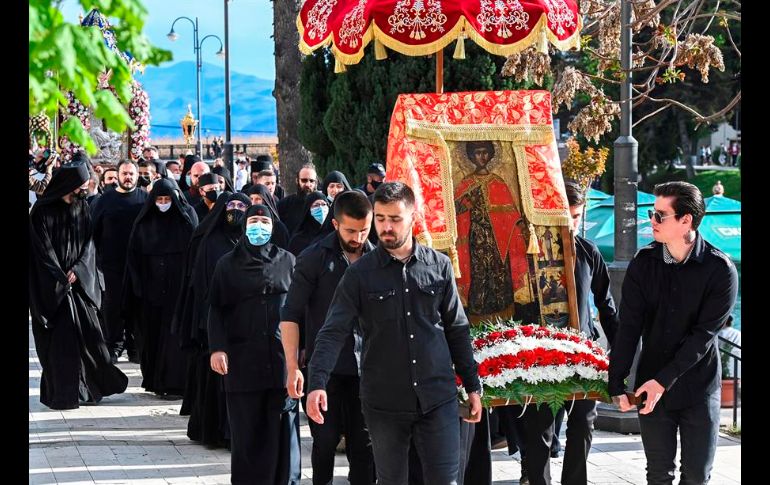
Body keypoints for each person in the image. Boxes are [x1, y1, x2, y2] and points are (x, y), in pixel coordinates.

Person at [306, 182, 482, 484]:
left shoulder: (438, 266)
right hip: (384, 402)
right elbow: (333, 331)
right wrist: (317, 382)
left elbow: (457, 328)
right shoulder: (359, 275)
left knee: (446, 480)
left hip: (437, 397)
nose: (386, 227)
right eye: (380, 218)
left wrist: (473, 385)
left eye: (395, 219)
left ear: (413, 218)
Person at [609, 181, 738, 485]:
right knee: (658, 476)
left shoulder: (720, 270)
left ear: (685, 221)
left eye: (659, 215)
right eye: (651, 213)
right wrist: (616, 383)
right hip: (651, 386)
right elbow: (628, 328)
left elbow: (703, 337)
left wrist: (662, 382)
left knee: (696, 477)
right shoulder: (643, 264)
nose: (650, 221)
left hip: (699, 388)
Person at [515, 181, 620, 485]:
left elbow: (606, 305)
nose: (571, 223)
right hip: (541, 355)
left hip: (583, 354)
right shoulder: (531, 253)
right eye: (566, 216)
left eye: (576, 216)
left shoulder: (589, 250)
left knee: (583, 426)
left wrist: (622, 359)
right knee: (540, 434)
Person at [281, 190, 376, 485]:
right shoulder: (313, 258)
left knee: (365, 448)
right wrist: (293, 367)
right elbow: (290, 315)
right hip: (326, 370)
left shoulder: (379, 258)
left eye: (364, 230)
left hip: (368, 370)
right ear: (335, 224)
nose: (358, 237)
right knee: (324, 442)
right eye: (351, 230)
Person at [208, 204, 301, 484]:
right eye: (254, 220)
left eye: (264, 220)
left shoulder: (288, 260)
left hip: (281, 359)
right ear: (245, 225)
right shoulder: (227, 263)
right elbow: (216, 308)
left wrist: (302, 352)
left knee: (284, 427)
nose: (259, 225)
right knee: (248, 430)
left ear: (273, 225)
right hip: (242, 358)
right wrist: (217, 348)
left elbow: (299, 310)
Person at [29, 161, 128, 410]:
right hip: (53, 289)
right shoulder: (41, 211)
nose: (85, 189)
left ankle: (89, 389)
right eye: (81, 184)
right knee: (61, 344)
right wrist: (60, 276)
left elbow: (88, 245)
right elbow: (41, 250)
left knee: (89, 339)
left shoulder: (82, 207)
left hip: (79, 286)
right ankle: (63, 394)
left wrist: (79, 270)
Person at [185, 192, 251, 447]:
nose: (235, 210)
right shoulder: (211, 242)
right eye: (231, 205)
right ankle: (215, 431)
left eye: (241, 206)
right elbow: (201, 285)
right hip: (216, 320)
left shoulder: (251, 241)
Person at [124, 178, 199, 397]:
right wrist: (138, 287)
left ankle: (177, 383)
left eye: (168, 199)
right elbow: (133, 258)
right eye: (160, 199)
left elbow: (194, 254)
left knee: (176, 337)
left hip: (179, 292)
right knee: (153, 338)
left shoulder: (187, 220)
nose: (164, 203)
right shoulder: (144, 223)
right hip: (151, 294)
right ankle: (156, 381)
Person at [453, 140, 530, 322]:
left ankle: (504, 314)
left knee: (499, 275)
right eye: (478, 153)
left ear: (491, 155)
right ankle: (477, 317)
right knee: (478, 274)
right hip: (475, 239)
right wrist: (465, 204)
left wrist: (521, 227)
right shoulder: (466, 183)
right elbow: (455, 210)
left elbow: (511, 212)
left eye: (485, 152)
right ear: (471, 156)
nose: (482, 156)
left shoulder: (498, 182)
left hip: (498, 242)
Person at [90, 160, 147, 363]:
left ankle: (134, 347)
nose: (128, 177)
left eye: (131, 173)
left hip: (138, 264)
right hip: (112, 264)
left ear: (137, 176)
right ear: (118, 175)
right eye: (124, 173)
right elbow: (93, 230)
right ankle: (113, 345)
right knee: (113, 306)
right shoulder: (105, 200)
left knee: (136, 305)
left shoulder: (144, 199)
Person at [245, 184, 290, 249]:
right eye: (251, 199)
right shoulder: (244, 222)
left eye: (258, 199)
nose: (253, 203)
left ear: (265, 201)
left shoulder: (278, 227)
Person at [278, 163, 319, 236]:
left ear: (316, 183)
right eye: (304, 180)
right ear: (297, 181)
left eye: (311, 181)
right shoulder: (284, 205)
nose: (308, 184)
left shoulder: (322, 205)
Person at [287, 191, 329, 256]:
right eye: (316, 205)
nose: (321, 208)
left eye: (323, 204)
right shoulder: (297, 240)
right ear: (308, 210)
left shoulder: (333, 235)